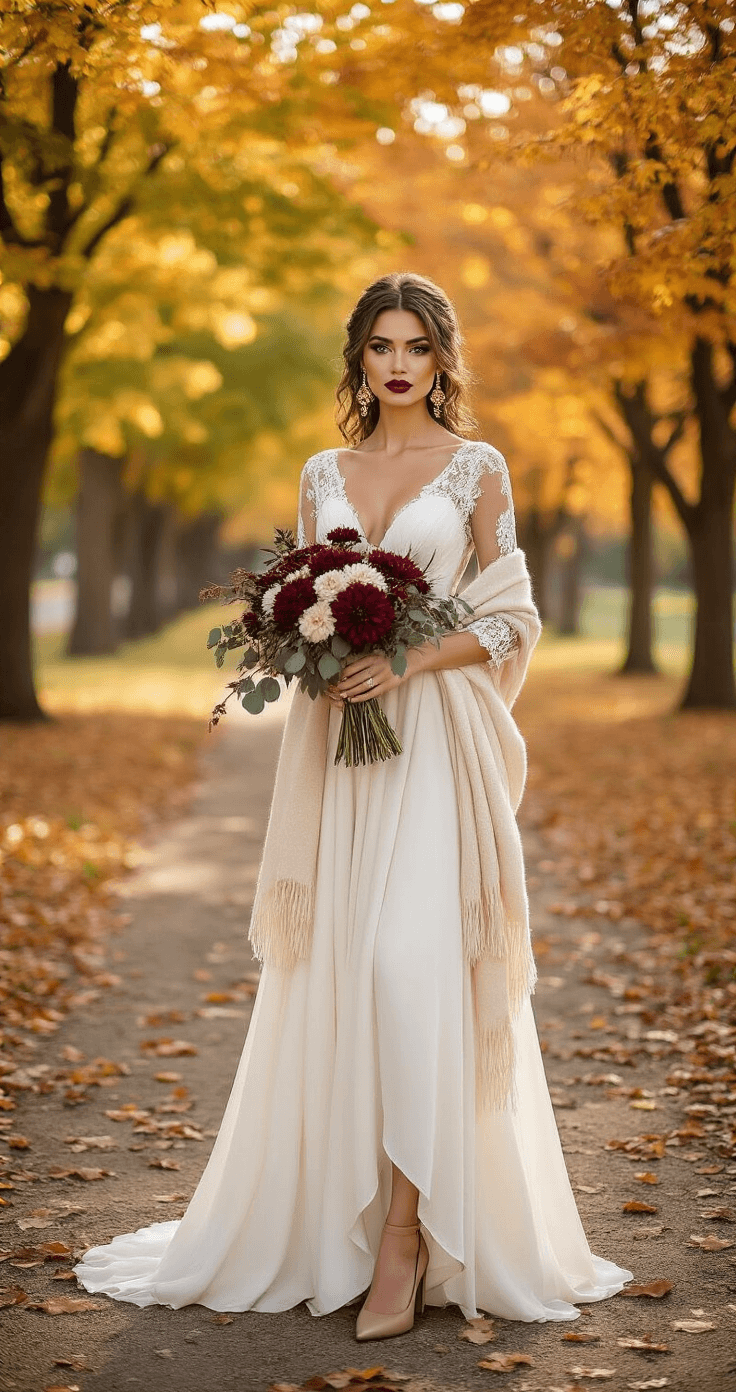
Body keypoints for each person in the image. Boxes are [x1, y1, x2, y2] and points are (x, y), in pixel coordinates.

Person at [74, 271, 633, 1338]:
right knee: (344, 971)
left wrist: (411, 666)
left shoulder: (476, 468)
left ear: (440, 359)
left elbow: (513, 615)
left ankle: (406, 1239)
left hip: (432, 750)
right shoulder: (322, 470)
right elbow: (300, 606)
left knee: (406, 969)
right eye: (380, 345)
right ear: (359, 359)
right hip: (343, 758)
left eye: (415, 346)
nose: (397, 364)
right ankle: (343, 1215)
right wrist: (320, 651)